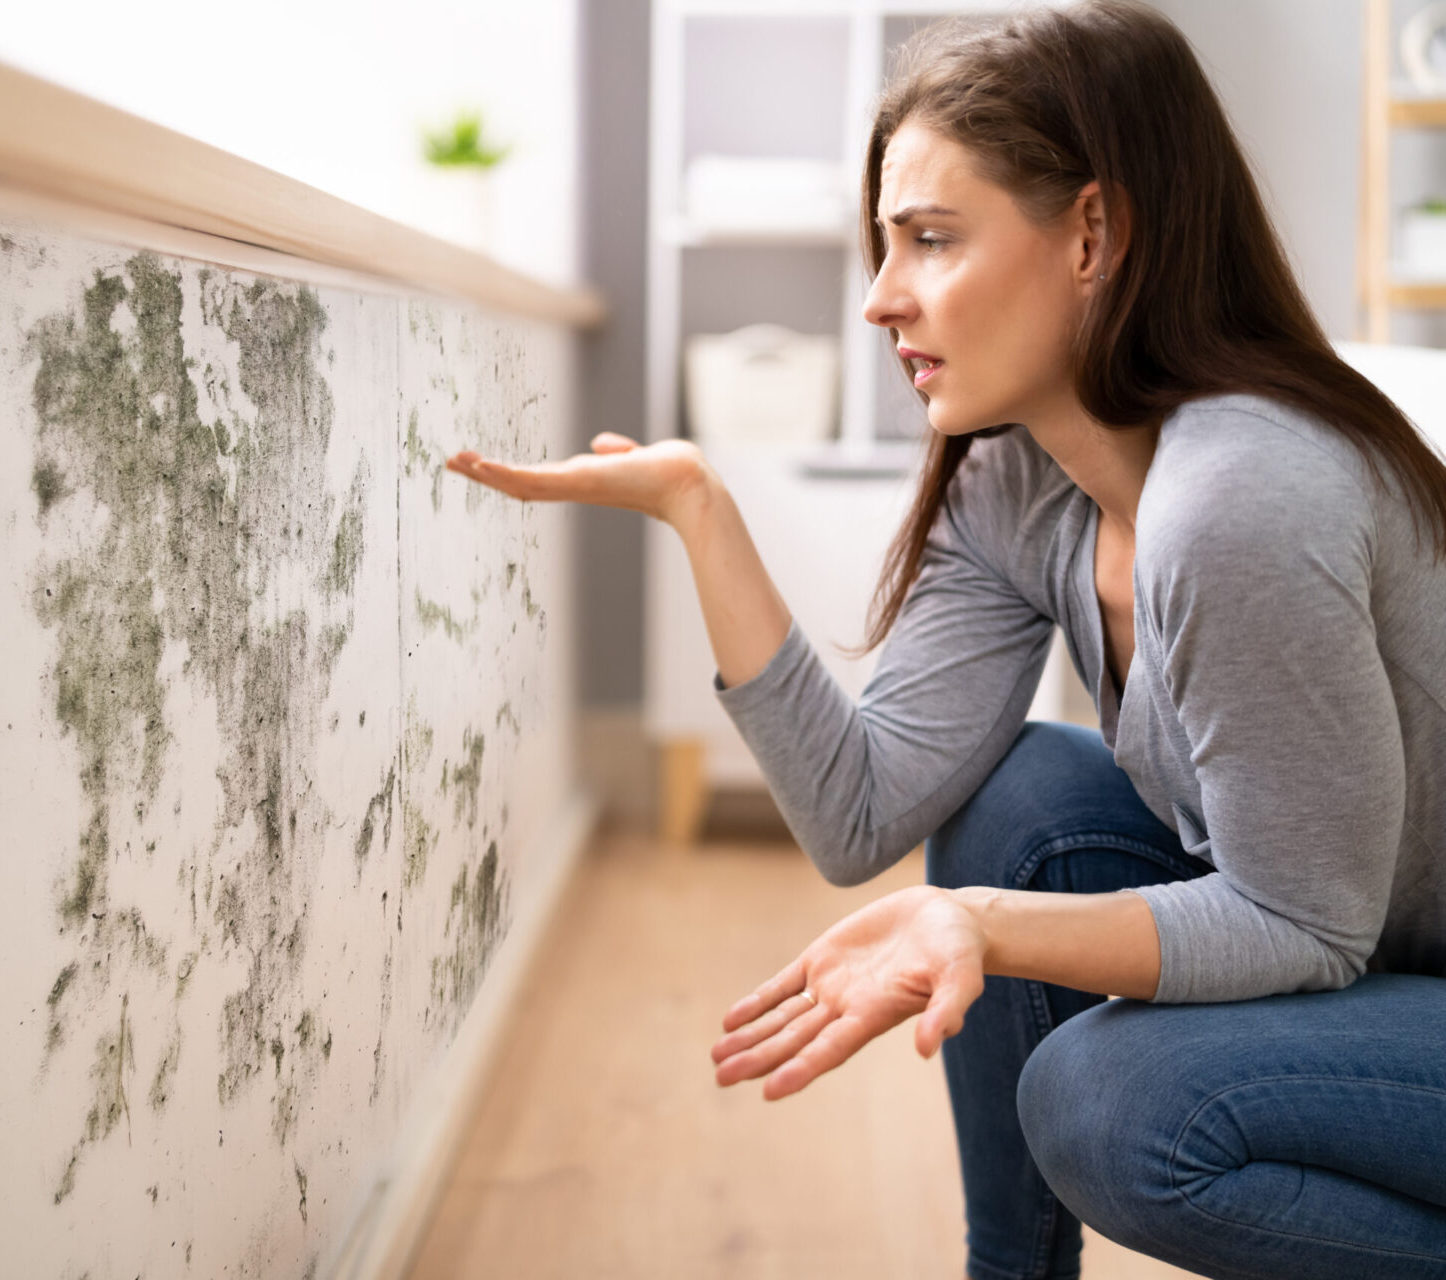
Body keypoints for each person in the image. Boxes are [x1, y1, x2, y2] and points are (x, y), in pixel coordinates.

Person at [444, 3, 1446, 1278]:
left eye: (929, 239)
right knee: (1018, 792)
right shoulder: (1020, 485)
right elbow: (860, 812)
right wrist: (702, 514)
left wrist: (980, 924)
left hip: (1393, 975)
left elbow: (1309, 927)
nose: (878, 300)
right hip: (1378, 964)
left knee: (1111, 1101)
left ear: (1095, 231)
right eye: (882, 246)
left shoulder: (1244, 493)